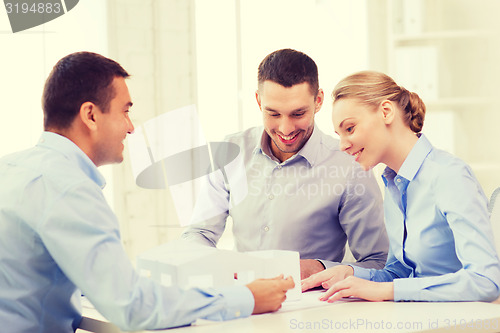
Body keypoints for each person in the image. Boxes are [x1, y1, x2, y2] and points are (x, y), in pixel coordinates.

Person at [0, 51, 294, 333]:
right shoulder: (69, 189)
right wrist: (246, 298)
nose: (130, 128)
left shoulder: (11, 168)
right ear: (90, 115)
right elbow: (131, 306)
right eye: (125, 111)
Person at [182, 48, 389, 279]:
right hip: (243, 300)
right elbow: (199, 233)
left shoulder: (350, 166)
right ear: (259, 101)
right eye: (273, 114)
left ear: (318, 100)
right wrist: (212, 267)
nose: (285, 129)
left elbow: (379, 262)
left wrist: (319, 268)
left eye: (298, 113)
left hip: (312, 305)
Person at [301, 70, 500, 302]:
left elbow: (486, 281)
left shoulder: (448, 175)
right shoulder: (393, 183)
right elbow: (401, 273)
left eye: (350, 129)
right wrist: (351, 273)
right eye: (339, 134)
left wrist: (388, 291)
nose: (343, 145)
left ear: (386, 112)